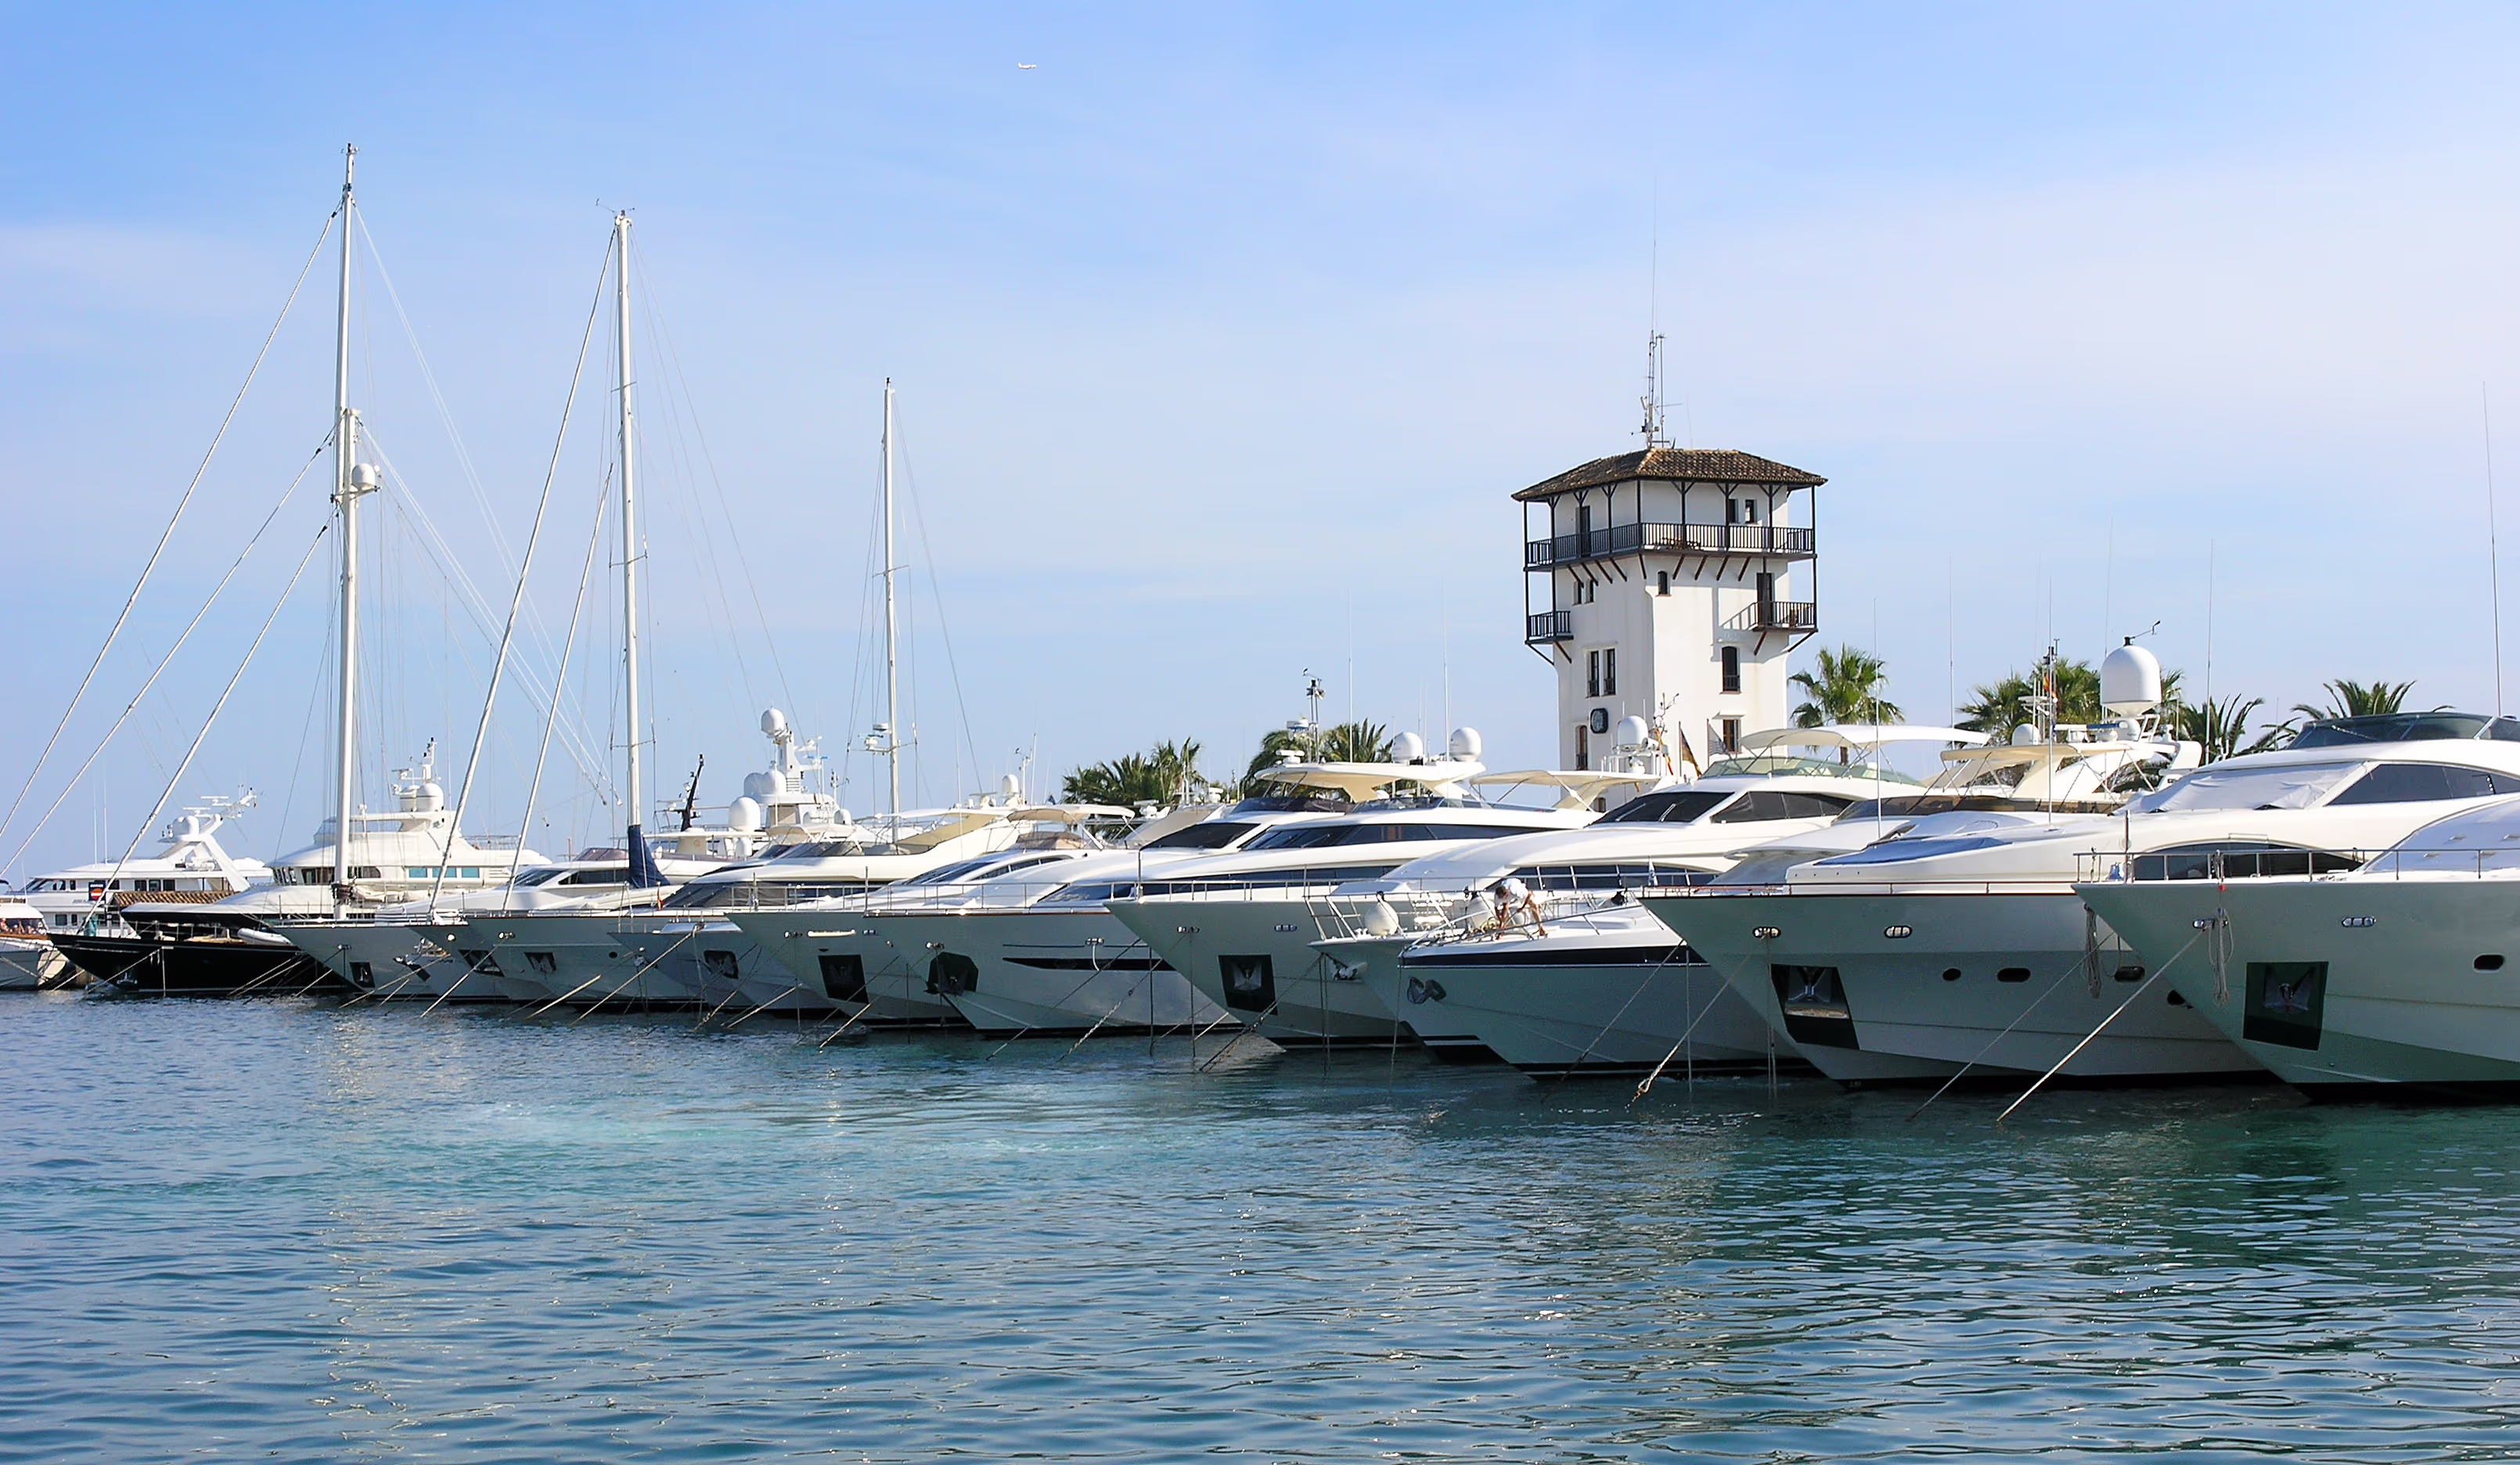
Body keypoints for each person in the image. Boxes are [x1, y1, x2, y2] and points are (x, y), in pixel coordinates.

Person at [1489, 874, 1547, 938]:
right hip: (1506, 883)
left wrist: (1522, 908)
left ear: (1507, 894)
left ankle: (1541, 928)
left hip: (1516, 883)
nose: (1502, 899)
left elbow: (1529, 895)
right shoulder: (1497, 896)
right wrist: (1501, 920)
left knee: (1534, 906)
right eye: (1501, 898)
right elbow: (1496, 908)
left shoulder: (1515, 891)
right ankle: (1501, 931)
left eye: (1504, 898)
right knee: (1505, 908)